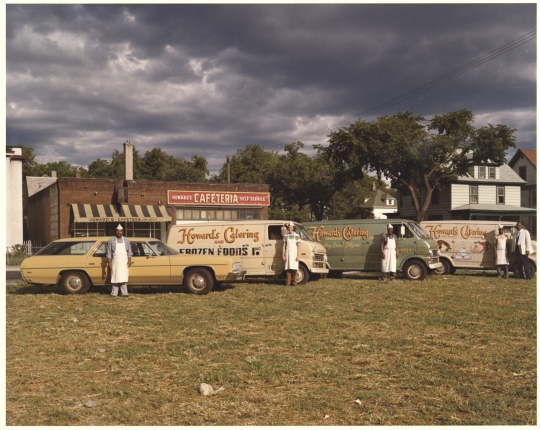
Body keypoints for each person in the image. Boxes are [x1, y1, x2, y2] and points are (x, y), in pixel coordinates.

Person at [106, 224, 133, 296]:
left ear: (123, 232)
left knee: (123, 276)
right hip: (115, 261)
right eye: (118, 231)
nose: (119, 232)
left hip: (124, 261)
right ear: (116, 231)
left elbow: (129, 252)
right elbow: (108, 253)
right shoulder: (111, 241)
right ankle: (114, 293)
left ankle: (124, 293)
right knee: (115, 276)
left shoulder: (126, 240)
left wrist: (129, 260)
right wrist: (109, 262)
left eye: (120, 231)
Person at [282, 222, 300, 286]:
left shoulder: (297, 236)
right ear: (287, 228)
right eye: (289, 227)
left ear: (293, 228)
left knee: (295, 268)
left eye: (291, 227)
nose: (290, 228)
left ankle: (294, 282)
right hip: (288, 252)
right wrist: (283, 255)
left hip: (294, 252)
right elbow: (284, 246)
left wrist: (298, 255)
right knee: (288, 268)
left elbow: (298, 246)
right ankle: (288, 282)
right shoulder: (285, 236)